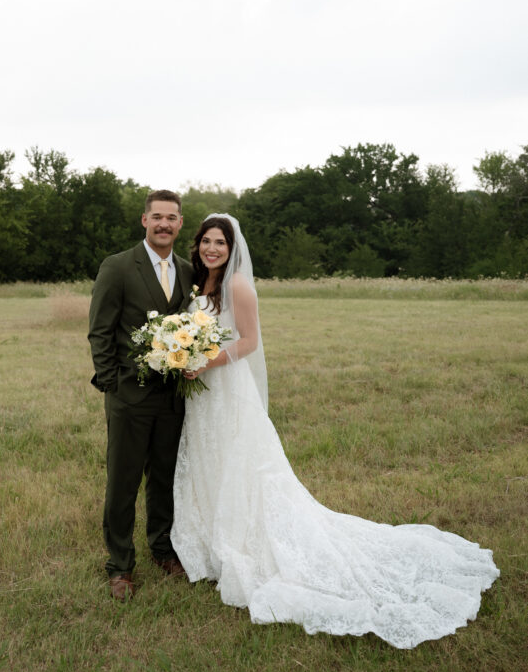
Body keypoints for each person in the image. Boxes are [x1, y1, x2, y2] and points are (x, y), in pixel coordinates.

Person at [171, 214, 500, 648]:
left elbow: (249, 341)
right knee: (212, 462)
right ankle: (213, 540)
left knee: (241, 465)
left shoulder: (237, 286)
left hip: (229, 390)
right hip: (205, 397)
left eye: (220, 243)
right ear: (197, 246)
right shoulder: (202, 286)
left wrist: (203, 362)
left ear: (232, 250)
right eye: (206, 242)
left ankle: (247, 544)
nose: (212, 249)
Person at [88, 190, 194, 600]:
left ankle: (163, 549)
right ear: (144, 221)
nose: (164, 224)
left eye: (172, 217)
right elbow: (100, 330)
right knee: (123, 482)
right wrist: (112, 383)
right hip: (129, 395)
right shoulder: (118, 266)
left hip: (173, 398)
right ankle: (119, 565)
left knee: (165, 479)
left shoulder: (187, 270)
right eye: (157, 217)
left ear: (180, 223)